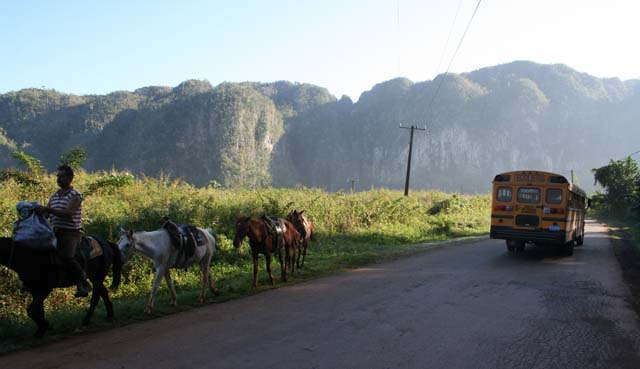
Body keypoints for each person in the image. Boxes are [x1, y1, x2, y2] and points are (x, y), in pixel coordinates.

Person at [37, 165, 91, 297]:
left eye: (62, 176)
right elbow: (47, 215)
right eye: (58, 176)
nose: (59, 179)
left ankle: (83, 283)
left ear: (70, 178)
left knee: (68, 256)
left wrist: (48, 210)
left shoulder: (75, 195)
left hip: (71, 233)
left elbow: (68, 213)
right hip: (54, 231)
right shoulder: (54, 196)